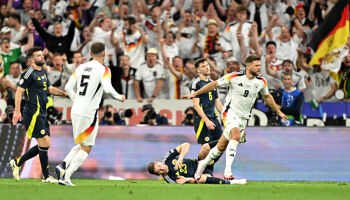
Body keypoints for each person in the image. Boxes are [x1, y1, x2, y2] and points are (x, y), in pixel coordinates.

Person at [183, 54, 287, 180]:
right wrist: (196, 93)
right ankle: (228, 171)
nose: (259, 68)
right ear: (248, 66)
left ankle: (202, 165)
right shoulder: (234, 76)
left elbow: (267, 97)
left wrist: (278, 111)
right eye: (256, 65)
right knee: (236, 135)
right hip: (229, 113)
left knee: (220, 147)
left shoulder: (261, 81)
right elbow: (215, 84)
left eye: (260, 65)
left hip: (243, 118)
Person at [55, 42, 125, 186]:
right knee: (87, 147)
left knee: (82, 142)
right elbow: (108, 88)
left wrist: (76, 101)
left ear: (90, 54)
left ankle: (62, 166)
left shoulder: (80, 68)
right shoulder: (104, 69)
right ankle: (66, 177)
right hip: (88, 112)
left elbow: (68, 87)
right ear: (104, 54)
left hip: (75, 110)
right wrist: (119, 97)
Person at [10, 46, 69, 183]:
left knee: (45, 144)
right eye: (38, 56)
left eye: (42, 55)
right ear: (31, 60)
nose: (42, 57)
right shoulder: (28, 73)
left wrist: (64, 94)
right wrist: (17, 111)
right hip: (32, 113)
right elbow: (19, 91)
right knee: (45, 142)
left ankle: (18, 162)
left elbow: (49, 88)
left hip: (41, 113)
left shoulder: (42, 71)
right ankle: (46, 176)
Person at [147, 142, 247, 184]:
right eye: (159, 171)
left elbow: (186, 144)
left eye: (159, 166)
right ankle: (233, 182)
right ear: (158, 174)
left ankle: (228, 141)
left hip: (200, 162)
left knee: (205, 147)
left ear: (158, 162)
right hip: (202, 174)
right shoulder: (170, 178)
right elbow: (191, 182)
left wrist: (181, 157)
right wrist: (186, 179)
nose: (162, 168)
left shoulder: (167, 159)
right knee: (199, 179)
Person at [190, 58, 223, 145]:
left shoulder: (213, 83)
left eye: (207, 65)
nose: (207, 68)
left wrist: (226, 116)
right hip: (202, 120)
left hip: (214, 118)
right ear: (198, 70)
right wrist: (207, 121)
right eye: (203, 66)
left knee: (220, 145)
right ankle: (197, 159)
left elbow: (217, 103)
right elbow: (196, 105)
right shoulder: (196, 83)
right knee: (206, 147)